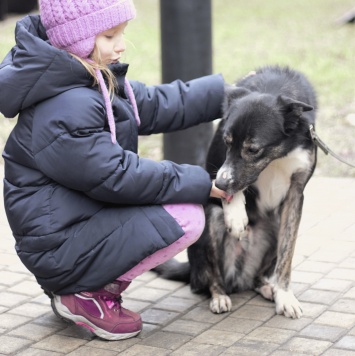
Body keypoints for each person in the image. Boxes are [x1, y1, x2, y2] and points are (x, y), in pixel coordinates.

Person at [0, 0, 227, 341]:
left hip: (74, 231)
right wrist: (201, 182)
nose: (121, 45)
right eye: (109, 36)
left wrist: (230, 94)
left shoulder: (87, 78)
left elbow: (159, 103)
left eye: (122, 33)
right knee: (185, 216)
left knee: (178, 208)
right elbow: (117, 176)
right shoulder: (66, 106)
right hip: (60, 247)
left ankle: (82, 285)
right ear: (76, 40)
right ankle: (84, 294)